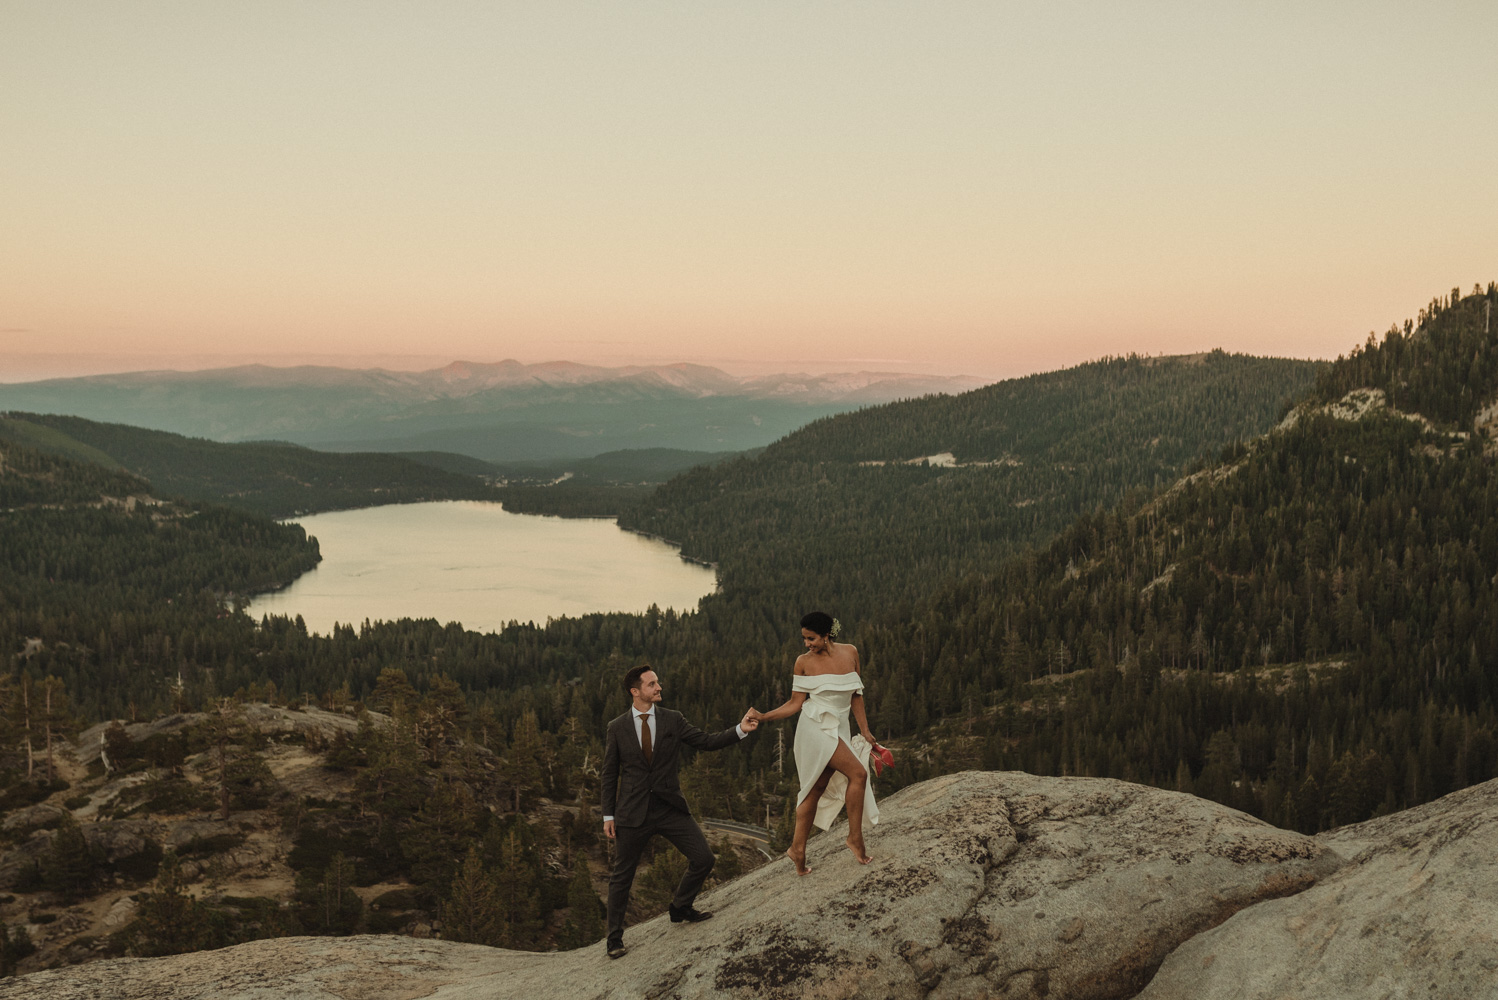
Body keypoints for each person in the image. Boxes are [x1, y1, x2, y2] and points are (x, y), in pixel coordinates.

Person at [600, 664, 758, 960]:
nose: (659, 687)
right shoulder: (617, 727)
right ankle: (614, 938)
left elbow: (707, 741)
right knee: (622, 876)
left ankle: (680, 907)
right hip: (632, 813)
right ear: (636, 692)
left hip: (670, 808)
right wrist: (608, 815)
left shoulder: (673, 720)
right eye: (652, 684)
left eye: (657, 682)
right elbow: (609, 774)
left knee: (704, 858)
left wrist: (740, 730)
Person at [748, 611, 880, 875]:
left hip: (839, 726)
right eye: (804, 639)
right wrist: (764, 717)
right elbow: (795, 703)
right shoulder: (803, 663)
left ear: (826, 634)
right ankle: (855, 839)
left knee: (816, 788)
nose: (806, 644)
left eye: (811, 638)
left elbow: (856, 694)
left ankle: (797, 849)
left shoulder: (851, 652)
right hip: (815, 726)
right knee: (858, 774)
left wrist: (864, 730)